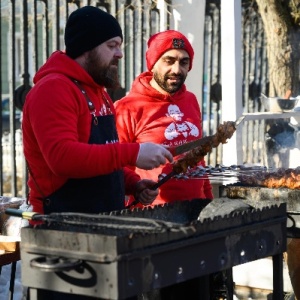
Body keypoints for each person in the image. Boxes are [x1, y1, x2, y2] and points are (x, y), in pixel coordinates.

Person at [22, 7, 173, 299]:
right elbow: (62, 158)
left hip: (103, 233)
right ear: (86, 48)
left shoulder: (99, 92)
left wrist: (131, 182)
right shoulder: (54, 89)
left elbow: (101, 152)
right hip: (63, 242)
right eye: (111, 46)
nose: (119, 54)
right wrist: (133, 153)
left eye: (120, 46)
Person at [114, 30, 213, 209]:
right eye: (169, 61)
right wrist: (137, 188)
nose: (176, 70)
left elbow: (198, 157)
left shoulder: (190, 99)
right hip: (153, 215)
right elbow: (115, 166)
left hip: (197, 210)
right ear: (152, 64)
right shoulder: (127, 108)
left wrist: (209, 202)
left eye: (184, 62)